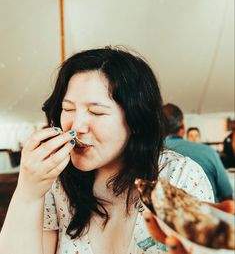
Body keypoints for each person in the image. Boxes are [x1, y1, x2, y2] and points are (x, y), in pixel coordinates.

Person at [0, 47, 215, 254]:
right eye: (68, 109)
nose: (76, 127)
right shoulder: (55, 182)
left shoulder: (179, 177)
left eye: (96, 112)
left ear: (135, 121)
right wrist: (28, 191)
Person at [163, 103, 233, 202]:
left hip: (160, 214)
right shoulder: (208, 152)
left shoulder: (148, 154)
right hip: (206, 213)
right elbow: (227, 194)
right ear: (183, 127)